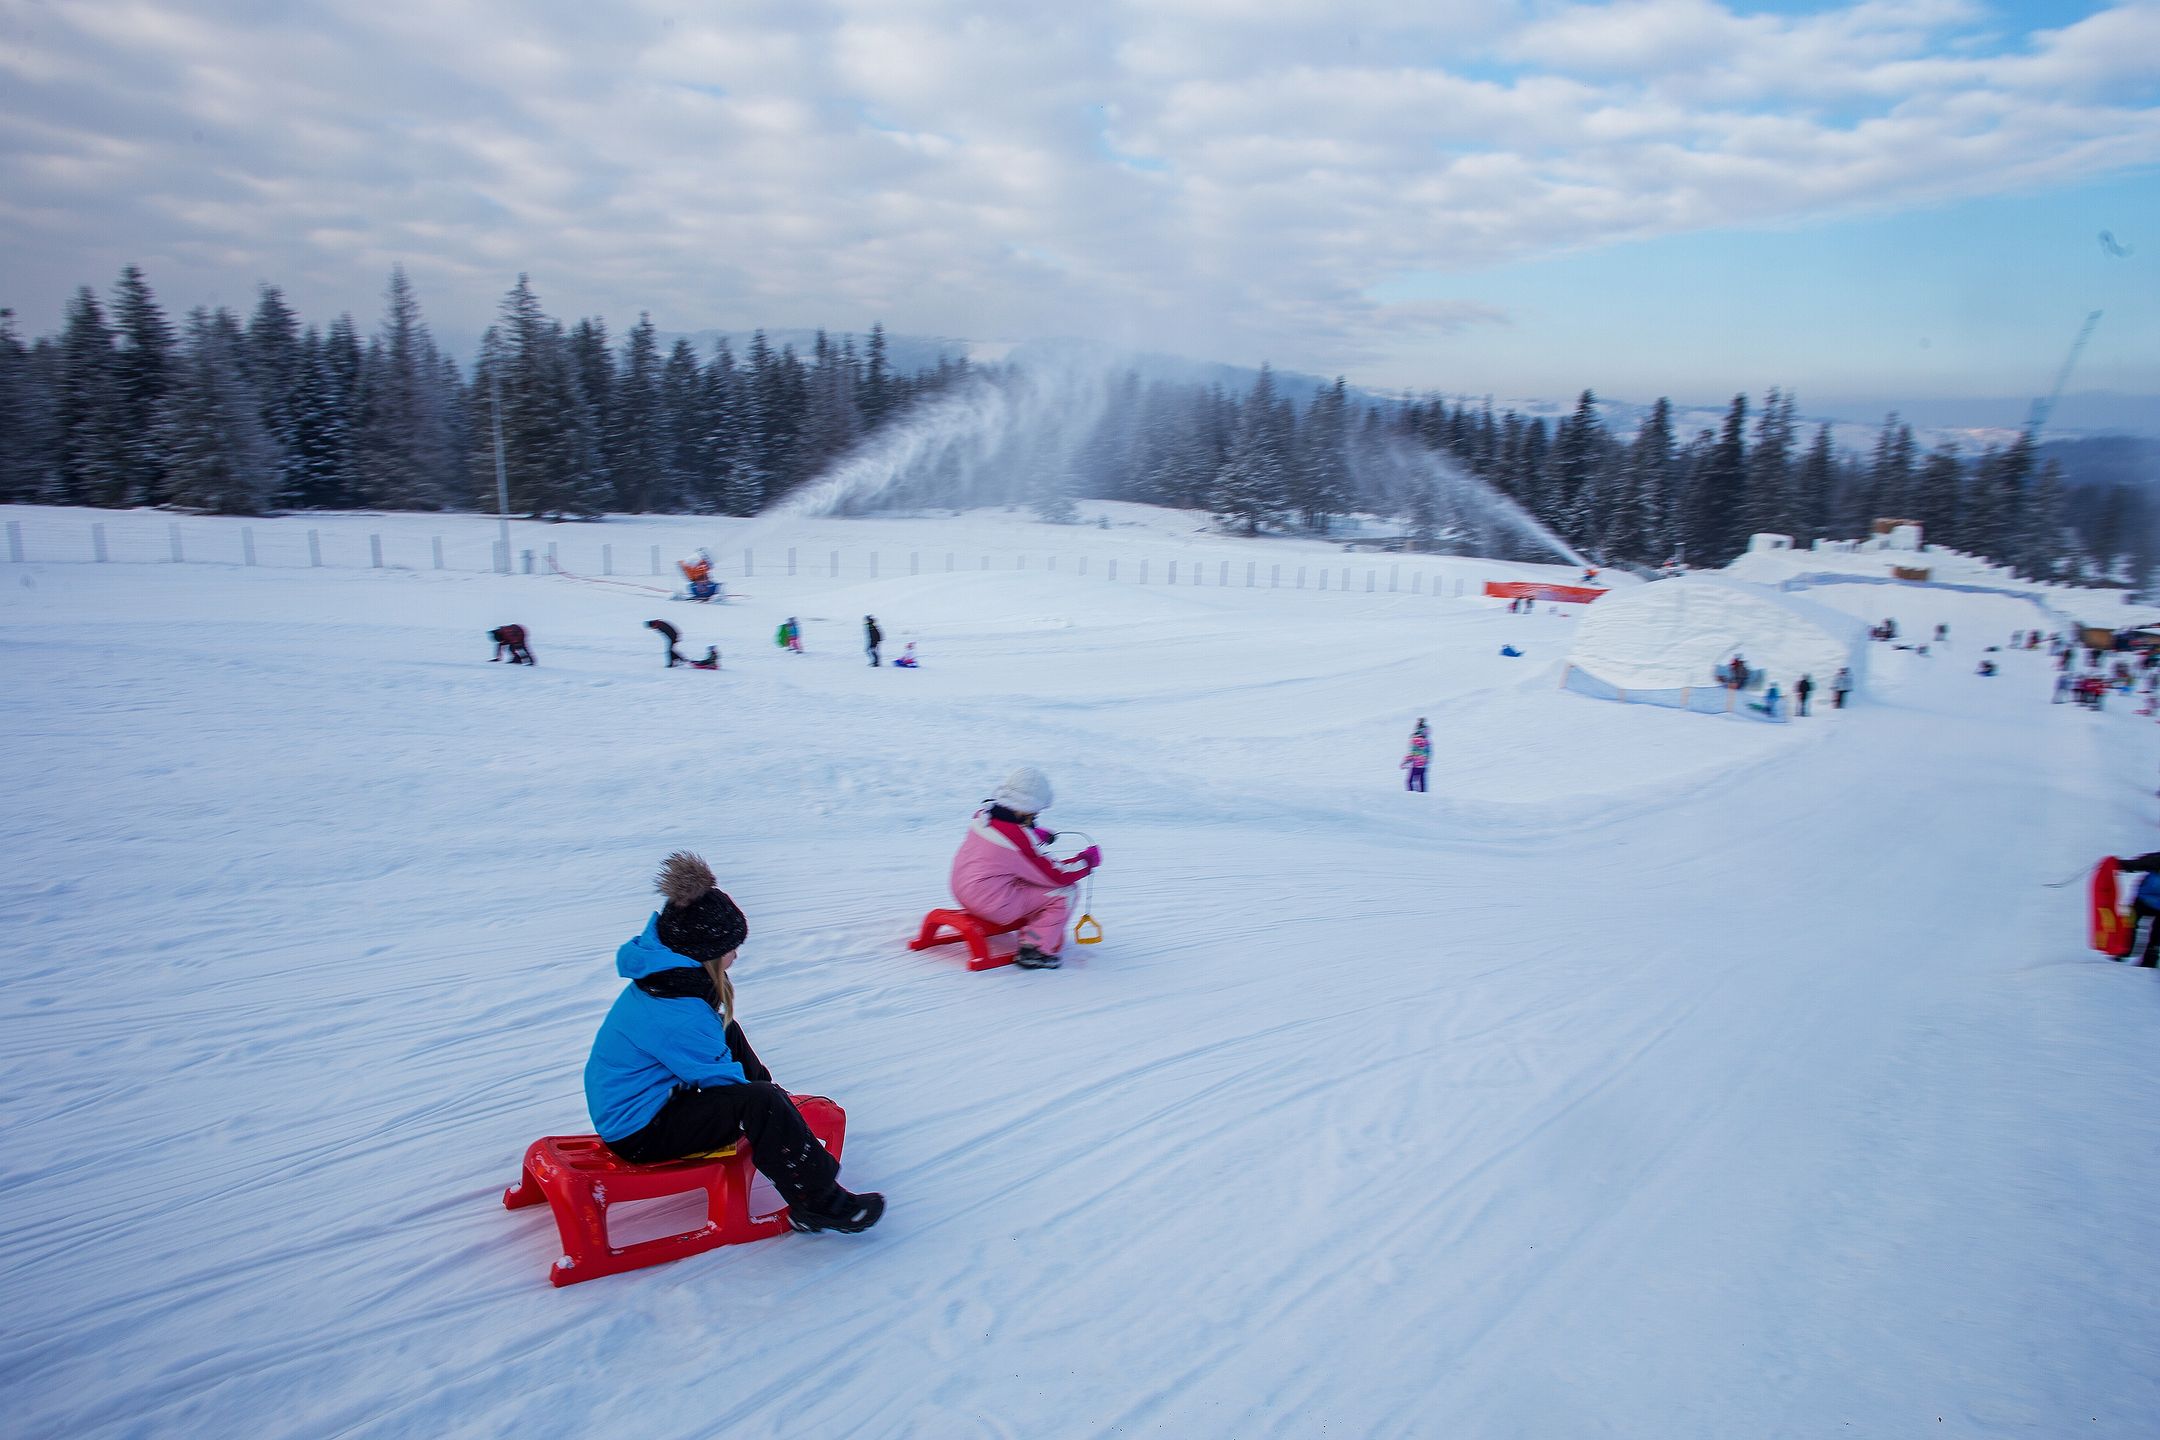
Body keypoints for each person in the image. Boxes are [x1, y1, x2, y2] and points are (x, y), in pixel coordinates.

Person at [583, 852, 884, 1231]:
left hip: (650, 1103)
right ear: (703, 955)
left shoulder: (668, 979)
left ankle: (777, 1103)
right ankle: (820, 1203)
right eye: (729, 949)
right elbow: (722, 1085)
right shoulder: (677, 1014)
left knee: (730, 1034)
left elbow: (711, 1054)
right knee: (759, 1104)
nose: (736, 954)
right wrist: (765, 1111)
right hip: (641, 1133)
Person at [949, 767, 1101, 971]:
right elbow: (1056, 875)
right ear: (1024, 808)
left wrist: (1034, 833)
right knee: (1066, 892)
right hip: (992, 902)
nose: (1036, 816)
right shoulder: (1018, 840)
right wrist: (1086, 861)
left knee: (1026, 877)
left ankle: (1034, 927)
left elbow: (1007, 836)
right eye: (1035, 812)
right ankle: (1034, 949)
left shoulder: (984, 814)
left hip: (963, 888)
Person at [2111, 853, 2160, 966]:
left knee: (2156, 933)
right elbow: (2137, 864)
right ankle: (2123, 951)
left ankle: (2149, 960)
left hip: (2148, 901)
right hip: (2142, 900)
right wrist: (2117, 864)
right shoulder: (2156, 859)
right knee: (2129, 925)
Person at [1402, 720, 1431, 792]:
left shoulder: (1415, 740)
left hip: (1415, 764)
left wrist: (1406, 761)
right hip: (1423, 765)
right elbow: (1428, 753)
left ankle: (1412, 796)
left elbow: (1412, 752)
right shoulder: (1426, 741)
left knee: (1409, 781)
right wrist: (1426, 761)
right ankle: (1423, 796)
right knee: (1421, 783)